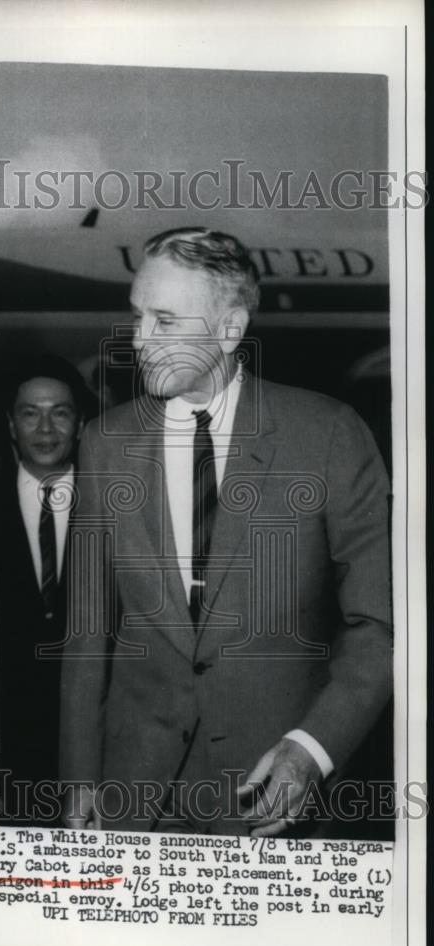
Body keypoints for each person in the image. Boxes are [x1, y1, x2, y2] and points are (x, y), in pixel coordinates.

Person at [60, 227, 393, 836]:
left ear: (230, 328)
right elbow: (89, 634)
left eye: (164, 321)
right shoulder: (105, 443)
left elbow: (379, 625)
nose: (139, 340)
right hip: (135, 798)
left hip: (273, 792)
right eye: (137, 316)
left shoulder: (327, 437)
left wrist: (313, 749)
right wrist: (80, 778)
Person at [0, 356, 86, 824]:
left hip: (95, 757)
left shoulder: (117, 507)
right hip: (5, 758)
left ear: (80, 423)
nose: (45, 428)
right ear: (10, 423)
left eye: (60, 412)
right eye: (30, 413)